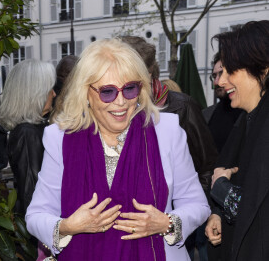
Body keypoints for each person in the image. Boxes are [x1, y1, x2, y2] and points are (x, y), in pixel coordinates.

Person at [26, 38, 210, 261]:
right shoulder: (59, 138)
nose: (121, 102)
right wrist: (67, 226)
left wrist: (166, 223)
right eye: (108, 92)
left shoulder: (167, 131)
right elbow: (35, 216)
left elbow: (197, 205)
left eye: (130, 89)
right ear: (86, 93)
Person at [121, 36, 217, 261]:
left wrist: (176, 215)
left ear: (147, 74)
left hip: (172, 228)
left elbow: (207, 165)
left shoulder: (181, 106)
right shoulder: (114, 111)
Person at [205, 20, 269, 261]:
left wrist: (221, 189)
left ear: (262, 68)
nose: (221, 82)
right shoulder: (246, 121)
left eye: (231, 71)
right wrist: (218, 214)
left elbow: (255, 212)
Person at [0, 59, 56, 215]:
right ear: (36, 93)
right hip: (42, 227)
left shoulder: (33, 129)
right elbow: (31, 192)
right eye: (50, 89)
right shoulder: (27, 133)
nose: (54, 94)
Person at [203, 54, 242, 261]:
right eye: (214, 75)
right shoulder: (207, 114)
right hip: (214, 207)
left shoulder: (248, 115)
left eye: (223, 73)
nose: (218, 81)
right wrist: (213, 211)